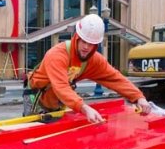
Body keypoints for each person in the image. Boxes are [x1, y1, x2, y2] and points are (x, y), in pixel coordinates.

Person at [23, 13, 151, 122]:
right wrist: (84, 107)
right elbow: (61, 87)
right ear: (76, 38)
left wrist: (138, 97)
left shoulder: (93, 60)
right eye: (83, 41)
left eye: (91, 44)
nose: (86, 47)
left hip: (57, 102)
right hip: (36, 99)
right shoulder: (57, 55)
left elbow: (115, 78)